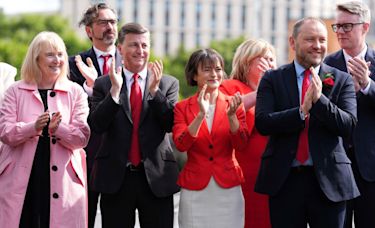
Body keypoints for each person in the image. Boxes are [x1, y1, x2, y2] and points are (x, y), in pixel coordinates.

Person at [254, 17, 360, 228]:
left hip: (330, 181)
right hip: (285, 181)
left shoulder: (341, 79)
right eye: (310, 39)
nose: (318, 45)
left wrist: (320, 101)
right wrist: (301, 112)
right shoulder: (272, 79)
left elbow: (348, 125)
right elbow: (263, 123)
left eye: (322, 39)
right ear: (293, 43)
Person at [88, 22, 180, 228]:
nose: (140, 51)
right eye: (134, 45)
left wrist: (156, 93)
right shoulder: (104, 83)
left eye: (145, 45)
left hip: (156, 177)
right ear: (120, 48)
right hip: (116, 178)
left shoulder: (167, 83)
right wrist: (114, 93)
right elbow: (97, 125)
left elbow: (170, 123)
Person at [0, 31, 90, 228]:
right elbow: (5, 132)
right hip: (21, 180)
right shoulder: (14, 91)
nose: (57, 60)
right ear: (36, 58)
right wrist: (33, 127)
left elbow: (82, 137)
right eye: (50, 54)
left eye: (60, 54)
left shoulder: (76, 92)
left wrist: (59, 129)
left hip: (63, 182)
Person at [324, 2, 375, 228]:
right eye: (337, 26)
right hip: (338, 166)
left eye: (346, 26)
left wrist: (367, 84)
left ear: (365, 27)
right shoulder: (328, 64)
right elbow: (322, 112)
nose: (340, 32)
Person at [173, 48, 249, 228]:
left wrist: (231, 117)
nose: (214, 74)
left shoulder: (235, 104)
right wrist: (200, 115)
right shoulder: (182, 107)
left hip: (228, 188)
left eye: (218, 69)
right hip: (195, 189)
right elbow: (181, 144)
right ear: (194, 75)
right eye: (207, 69)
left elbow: (241, 144)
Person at [68, 3, 120, 227]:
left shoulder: (133, 62)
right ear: (89, 30)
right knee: (82, 220)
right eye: (103, 22)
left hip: (121, 157)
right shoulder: (71, 65)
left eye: (113, 22)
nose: (110, 27)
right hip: (85, 156)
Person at [219, 38, 276, 228]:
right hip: (243, 174)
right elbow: (226, 111)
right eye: (262, 59)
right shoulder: (229, 87)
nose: (269, 64)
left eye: (271, 59)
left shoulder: (278, 90)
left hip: (274, 172)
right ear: (246, 62)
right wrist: (261, 90)